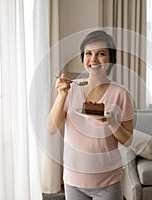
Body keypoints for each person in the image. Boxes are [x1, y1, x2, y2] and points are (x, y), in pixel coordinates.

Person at [48, 30, 134, 200]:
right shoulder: (71, 89)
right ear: (82, 58)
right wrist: (62, 95)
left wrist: (112, 123)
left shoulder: (121, 94)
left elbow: (129, 140)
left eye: (101, 53)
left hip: (109, 181)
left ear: (110, 59)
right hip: (73, 181)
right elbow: (51, 128)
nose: (93, 59)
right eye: (88, 53)